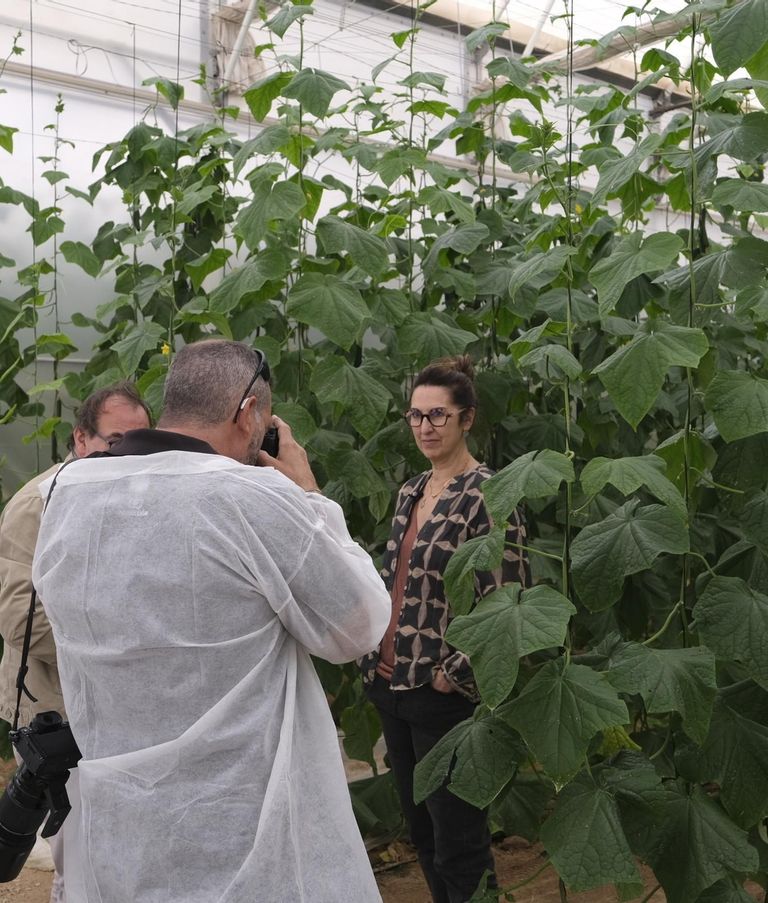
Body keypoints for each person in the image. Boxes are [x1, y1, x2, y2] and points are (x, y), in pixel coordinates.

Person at [30, 339, 392, 903]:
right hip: (239, 837)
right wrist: (311, 497)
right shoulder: (250, 498)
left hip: (121, 830)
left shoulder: (68, 494)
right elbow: (358, 625)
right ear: (249, 414)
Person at [358, 355, 528, 903]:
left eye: (438, 416)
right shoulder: (410, 491)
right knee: (425, 835)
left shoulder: (490, 495)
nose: (425, 428)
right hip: (392, 683)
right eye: (415, 416)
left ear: (467, 419)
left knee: (460, 842)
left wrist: (453, 675)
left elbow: (506, 601)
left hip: (441, 693)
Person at [0, 380, 152, 903]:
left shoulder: (138, 494)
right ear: (81, 440)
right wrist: (126, 631)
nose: (126, 451)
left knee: (122, 849)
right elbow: (20, 620)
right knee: (77, 856)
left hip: (118, 703)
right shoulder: (38, 505)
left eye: (140, 438)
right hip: (56, 710)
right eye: (115, 438)